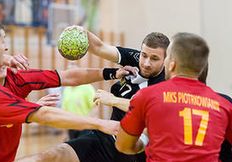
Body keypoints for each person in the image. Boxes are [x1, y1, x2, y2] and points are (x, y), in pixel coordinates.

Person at [0, 19, 131, 162]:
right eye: (3, 42)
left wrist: (112, 72)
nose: (7, 47)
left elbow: (68, 77)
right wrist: (99, 123)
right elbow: (46, 116)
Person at [17, 31, 170, 162]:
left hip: (138, 149)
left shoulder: (167, 82)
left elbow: (150, 108)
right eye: (144, 55)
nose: (146, 63)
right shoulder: (135, 58)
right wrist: (79, 32)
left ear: (166, 60)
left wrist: (113, 100)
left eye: (154, 58)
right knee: (55, 154)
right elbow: (99, 47)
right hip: (110, 136)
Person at [116, 32, 232, 161]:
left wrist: (144, 140)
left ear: (172, 64)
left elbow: (123, 145)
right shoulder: (224, 105)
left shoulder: (147, 96)